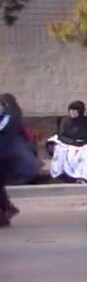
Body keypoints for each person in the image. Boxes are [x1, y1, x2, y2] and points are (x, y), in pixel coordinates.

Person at [49, 101, 87, 184]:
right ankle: (65, 175)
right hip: (68, 142)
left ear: (80, 112)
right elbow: (61, 135)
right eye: (70, 110)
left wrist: (85, 141)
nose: (72, 113)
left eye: (74, 111)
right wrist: (71, 142)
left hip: (84, 143)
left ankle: (84, 175)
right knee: (62, 150)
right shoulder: (65, 120)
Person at [0, 94, 34, 226]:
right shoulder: (10, 117)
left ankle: (7, 210)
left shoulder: (9, 117)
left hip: (6, 156)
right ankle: (6, 212)